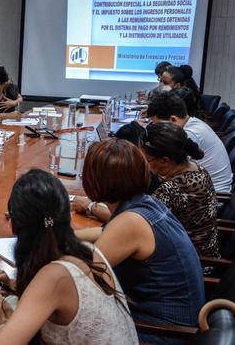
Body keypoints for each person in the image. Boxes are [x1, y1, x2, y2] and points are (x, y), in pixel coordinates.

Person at [0, 169, 138, 345]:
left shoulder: (54, 277)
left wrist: (1, 323)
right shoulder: (88, 250)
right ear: (67, 214)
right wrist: (13, 284)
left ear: (15, 226)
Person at [76, 138, 205, 345]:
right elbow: (107, 232)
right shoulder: (146, 203)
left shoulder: (130, 223)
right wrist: (65, 236)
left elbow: (81, 279)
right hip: (178, 322)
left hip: (162, 333)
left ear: (92, 182)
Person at [142, 122, 220, 259]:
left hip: (190, 263)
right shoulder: (196, 168)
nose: (146, 165)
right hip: (204, 252)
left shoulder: (172, 190)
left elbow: (137, 224)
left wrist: (92, 207)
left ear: (165, 161)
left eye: (147, 160)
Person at [147, 92, 232, 192]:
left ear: (173, 119)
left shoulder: (190, 134)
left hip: (213, 196)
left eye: (158, 125)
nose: (156, 129)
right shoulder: (193, 122)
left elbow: (166, 171)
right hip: (203, 189)